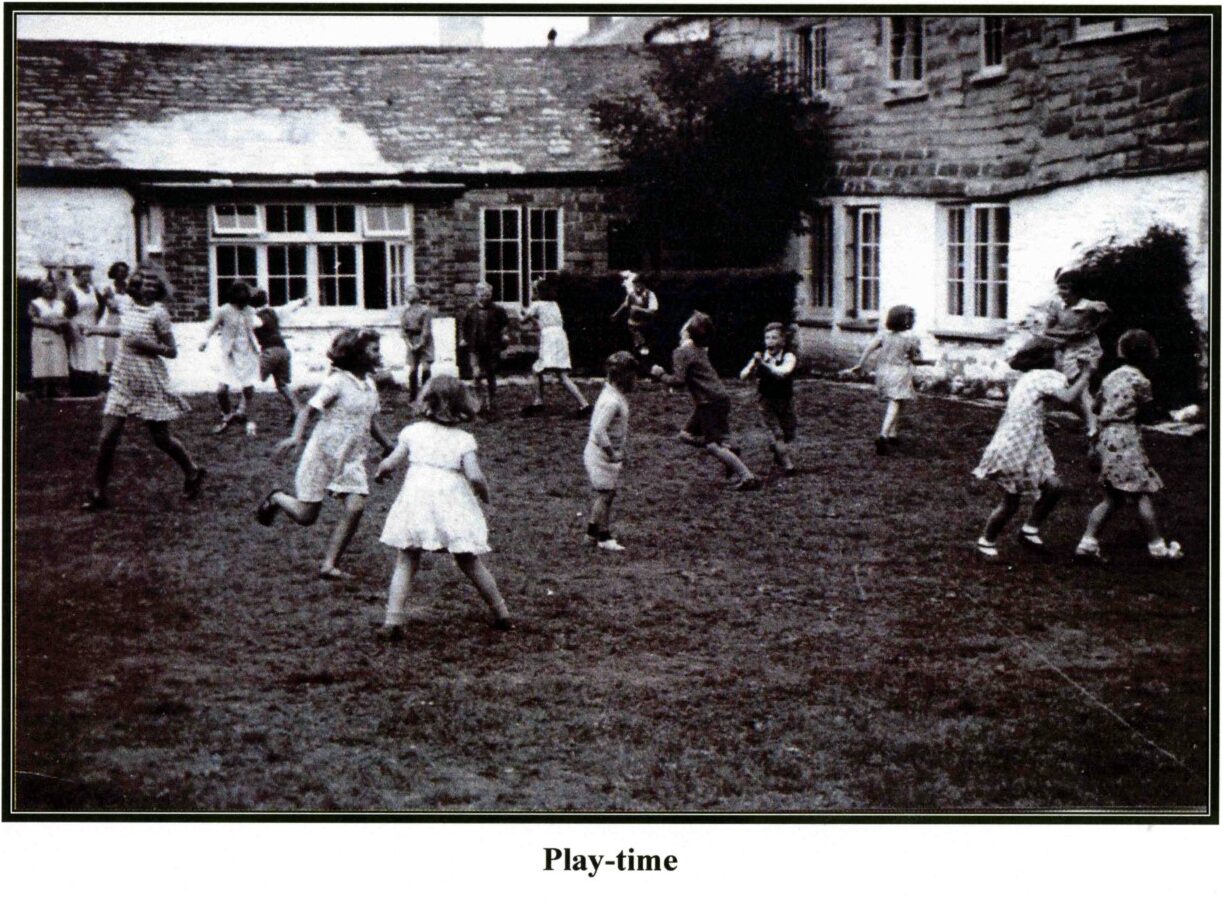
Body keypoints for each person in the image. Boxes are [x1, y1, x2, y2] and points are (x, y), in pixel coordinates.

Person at [374, 375, 512, 637]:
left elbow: (390, 462)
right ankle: (501, 612)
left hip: (418, 498)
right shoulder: (464, 439)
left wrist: (381, 473)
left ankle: (393, 621)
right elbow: (474, 476)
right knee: (468, 559)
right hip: (451, 500)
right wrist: (484, 495)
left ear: (426, 402)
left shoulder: (412, 432)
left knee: (407, 557)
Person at [257, 329, 394, 581]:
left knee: (356, 506)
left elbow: (370, 422)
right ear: (356, 354)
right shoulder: (337, 382)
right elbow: (308, 410)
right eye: (374, 349)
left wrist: (389, 447)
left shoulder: (370, 386)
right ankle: (277, 498)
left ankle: (329, 565)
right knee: (306, 516)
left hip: (351, 458)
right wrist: (296, 437)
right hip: (322, 454)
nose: (379, 354)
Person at [80, 266, 205, 511]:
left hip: (149, 379)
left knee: (161, 438)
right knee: (107, 437)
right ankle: (98, 493)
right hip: (122, 379)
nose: (146, 285)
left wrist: (146, 345)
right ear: (134, 283)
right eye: (142, 280)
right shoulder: (127, 305)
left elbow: (171, 351)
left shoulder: (159, 313)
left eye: (151, 282)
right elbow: (124, 331)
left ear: (158, 287)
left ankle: (192, 471)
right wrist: (96, 330)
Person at [971, 341, 1094, 558]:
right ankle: (986, 541)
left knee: (1054, 486)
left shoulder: (1030, 377)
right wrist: (1086, 375)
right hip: (1016, 445)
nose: (1063, 362)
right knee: (1011, 502)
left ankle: (1029, 530)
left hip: (1025, 441)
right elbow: (1068, 398)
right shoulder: (1046, 376)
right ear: (1048, 358)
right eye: (1060, 357)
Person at [1075, 330, 1182, 562]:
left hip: (1106, 438)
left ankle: (1087, 543)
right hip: (1126, 439)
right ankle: (1158, 549)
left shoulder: (1111, 377)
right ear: (1148, 354)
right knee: (1141, 494)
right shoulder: (1141, 381)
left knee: (1112, 497)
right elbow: (1146, 413)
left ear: (1122, 351)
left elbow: (1096, 407)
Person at [650, 311, 760, 491]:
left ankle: (747, 477)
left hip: (708, 402)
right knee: (685, 435)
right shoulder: (698, 349)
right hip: (717, 399)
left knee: (712, 446)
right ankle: (729, 449)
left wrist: (660, 374)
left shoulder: (682, 352)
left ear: (687, 331)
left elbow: (678, 381)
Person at [840, 304, 936, 453]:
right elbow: (916, 360)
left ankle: (893, 434)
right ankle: (883, 435)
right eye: (911, 318)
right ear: (905, 320)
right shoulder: (912, 338)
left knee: (898, 401)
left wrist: (860, 364)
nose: (913, 320)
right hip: (900, 373)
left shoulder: (883, 335)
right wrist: (930, 362)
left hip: (883, 372)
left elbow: (869, 349)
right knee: (895, 402)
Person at [1042, 268, 1110, 437]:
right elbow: (1047, 331)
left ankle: (1093, 428)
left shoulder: (1088, 305)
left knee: (1083, 388)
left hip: (1087, 349)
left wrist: (1092, 329)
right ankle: (1093, 422)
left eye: (1066, 288)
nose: (1061, 292)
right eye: (1060, 287)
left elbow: (1107, 314)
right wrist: (1069, 334)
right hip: (1069, 349)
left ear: (1077, 289)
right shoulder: (1056, 306)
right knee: (1073, 388)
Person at [584, 351, 637, 551]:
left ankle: (601, 533)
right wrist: (611, 453)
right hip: (601, 455)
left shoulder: (612, 394)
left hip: (603, 454)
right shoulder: (612, 401)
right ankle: (594, 534)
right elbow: (598, 430)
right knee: (605, 494)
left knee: (607, 494)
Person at [520, 278, 591, 417]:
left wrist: (521, 312)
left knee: (538, 370)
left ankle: (539, 401)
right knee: (559, 374)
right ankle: (584, 404)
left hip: (550, 339)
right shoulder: (554, 304)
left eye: (534, 290)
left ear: (538, 292)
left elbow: (524, 320)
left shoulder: (537, 304)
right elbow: (542, 323)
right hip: (560, 337)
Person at [199, 281, 261, 436]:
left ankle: (251, 423)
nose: (242, 302)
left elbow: (257, 325)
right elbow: (212, 326)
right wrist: (204, 340)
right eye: (239, 299)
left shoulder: (250, 311)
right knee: (221, 390)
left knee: (248, 390)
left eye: (245, 299)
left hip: (247, 354)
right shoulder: (223, 311)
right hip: (229, 355)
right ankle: (227, 416)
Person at [740, 322, 798, 475]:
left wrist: (765, 366)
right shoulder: (760, 357)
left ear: (783, 341)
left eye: (774, 338)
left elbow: (783, 372)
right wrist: (753, 366)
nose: (770, 341)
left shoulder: (789, 356)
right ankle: (788, 466)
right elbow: (743, 375)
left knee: (789, 433)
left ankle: (778, 452)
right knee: (776, 433)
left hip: (786, 400)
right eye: (767, 338)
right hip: (766, 400)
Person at [250, 287, 308, 423]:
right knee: (282, 384)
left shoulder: (254, 318)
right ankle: (297, 408)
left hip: (269, 351)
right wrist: (302, 301)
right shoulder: (274, 312)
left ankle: (241, 411)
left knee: (251, 379)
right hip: (284, 351)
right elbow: (289, 307)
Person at [461, 281, 510, 418]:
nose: (484, 297)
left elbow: (504, 325)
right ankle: (478, 402)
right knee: (476, 374)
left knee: (490, 374)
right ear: (476, 295)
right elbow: (464, 327)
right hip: (475, 347)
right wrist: (464, 339)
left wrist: (504, 336)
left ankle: (491, 402)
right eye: (481, 295)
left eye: (487, 295)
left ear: (491, 295)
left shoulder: (498, 310)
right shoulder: (471, 310)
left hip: (491, 347)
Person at [27, 278, 70, 399]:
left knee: (57, 361)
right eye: (46, 288)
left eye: (51, 288)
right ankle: (40, 391)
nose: (49, 290)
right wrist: (51, 324)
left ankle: (55, 390)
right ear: (41, 290)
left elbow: (66, 318)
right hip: (42, 334)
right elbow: (33, 319)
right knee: (42, 361)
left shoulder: (60, 304)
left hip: (57, 335)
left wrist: (61, 323)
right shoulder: (36, 303)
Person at [64, 264, 103, 396]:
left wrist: (96, 319)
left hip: (91, 324)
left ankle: (92, 387)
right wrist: (72, 325)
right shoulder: (71, 290)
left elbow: (101, 306)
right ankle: (79, 388)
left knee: (92, 354)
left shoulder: (93, 290)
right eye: (83, 275)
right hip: (77, 324)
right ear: (76, 276)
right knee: (79, 355)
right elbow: (66, 311)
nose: (86, 277)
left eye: (88, 275)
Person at [97, 261, 132, 379]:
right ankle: (110, 378)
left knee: (125, 349)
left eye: (124, 271)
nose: (122, 274)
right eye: (119, 271)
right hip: (113, 319)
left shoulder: (131, 288)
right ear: (114, 273)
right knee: (111, 349)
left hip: (127, 320)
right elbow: (111, 306)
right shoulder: (108, 289)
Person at [611, 271, 659, 358]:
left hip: (645, 326)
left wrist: (639, 309)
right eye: (635, 285)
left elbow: (653, 311)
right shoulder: (631, 294)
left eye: (639, 285)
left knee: (645, 348)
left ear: (644, 285)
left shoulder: (650, 294)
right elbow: (625, 304)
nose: (637, 288)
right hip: (633, 325)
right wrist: (616, 314)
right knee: (637, 344)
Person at [399, 284, 434, 402]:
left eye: (410, 292)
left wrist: (421, 344)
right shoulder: (405, 312)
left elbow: (426, 330)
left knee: (426, 368)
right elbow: (403, 330)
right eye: (406, 292)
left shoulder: (426, 310)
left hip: (425, 342)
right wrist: (409, 344)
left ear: (418, 295)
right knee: (413, 369)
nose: (407, 294)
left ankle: (426, 396)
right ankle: (413, 396)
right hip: (411, 340)